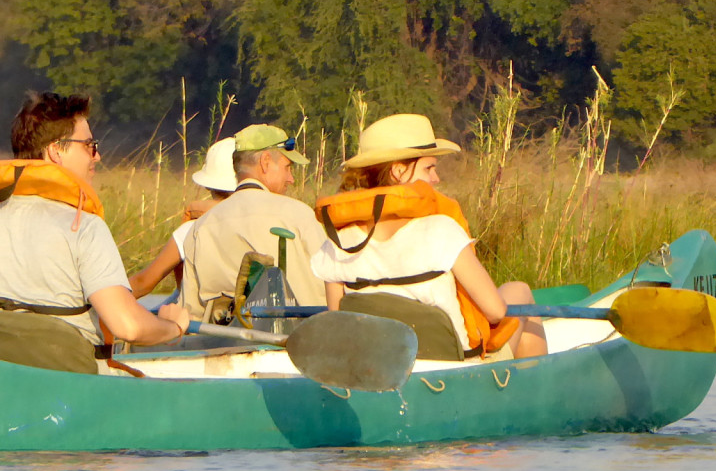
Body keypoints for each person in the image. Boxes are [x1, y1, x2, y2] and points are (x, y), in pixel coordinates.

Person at [0, 91, 190, 374]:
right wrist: (173, 326)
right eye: (89, 145)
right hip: (71, 390)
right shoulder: (84, 227)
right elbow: (129, 326)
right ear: (56, 150)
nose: (97, 156)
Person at [311, 113, 547, 360]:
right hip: (455, 368)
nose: (436, 178)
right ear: (399, 171)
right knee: (518, 290)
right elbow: (496, 312)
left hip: (381, 367)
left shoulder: (338, 241)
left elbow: (337, 321)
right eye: (429, 168)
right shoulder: (441, 230)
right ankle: (531, 389)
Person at [180, 124, 327, 320]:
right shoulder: (299, 214)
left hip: (225, 342)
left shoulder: (200, 227)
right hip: (298, 339)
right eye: (287, 168)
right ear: (265, 161)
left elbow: (190, 313)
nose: (290, 178)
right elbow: (328, 286)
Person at [128, 137, 237, 298]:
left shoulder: (192, 229)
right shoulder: (264, 224)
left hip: (200, 316)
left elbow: (144, 283)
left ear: (208, 185)